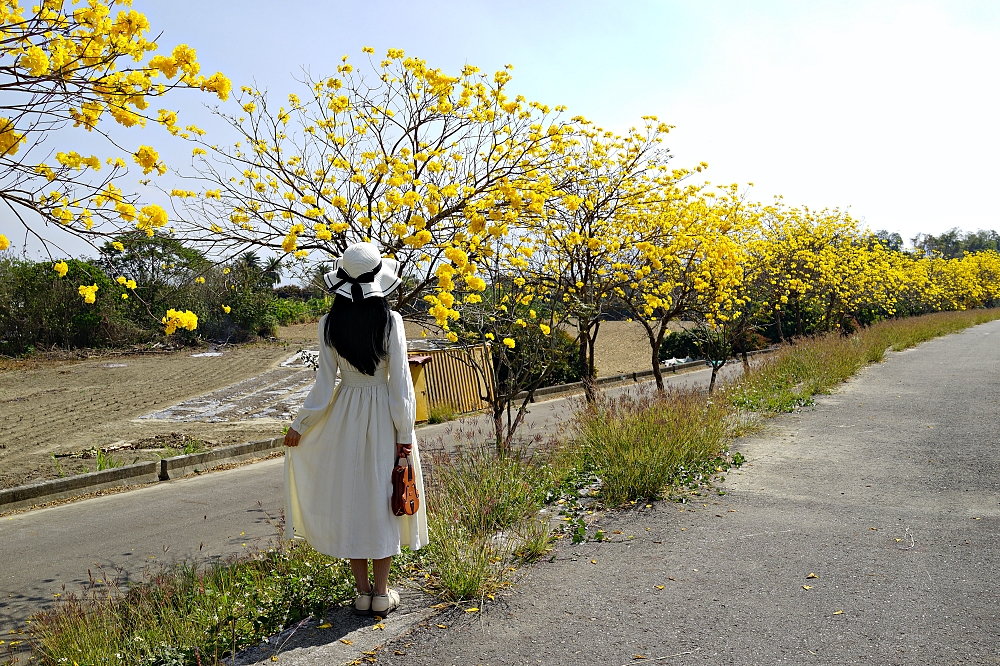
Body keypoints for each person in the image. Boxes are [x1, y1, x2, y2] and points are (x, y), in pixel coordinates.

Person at [283, 242, 428, 617]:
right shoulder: (390, 321)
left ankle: (362, 594)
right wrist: (404, 435)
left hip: (345, 414)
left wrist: (301, 425)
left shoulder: (329, 323)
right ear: (380, 280)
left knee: (352, 499)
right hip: (383, 416)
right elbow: (400, 386)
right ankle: (382, 594)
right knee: (383, 503)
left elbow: (323, 384)